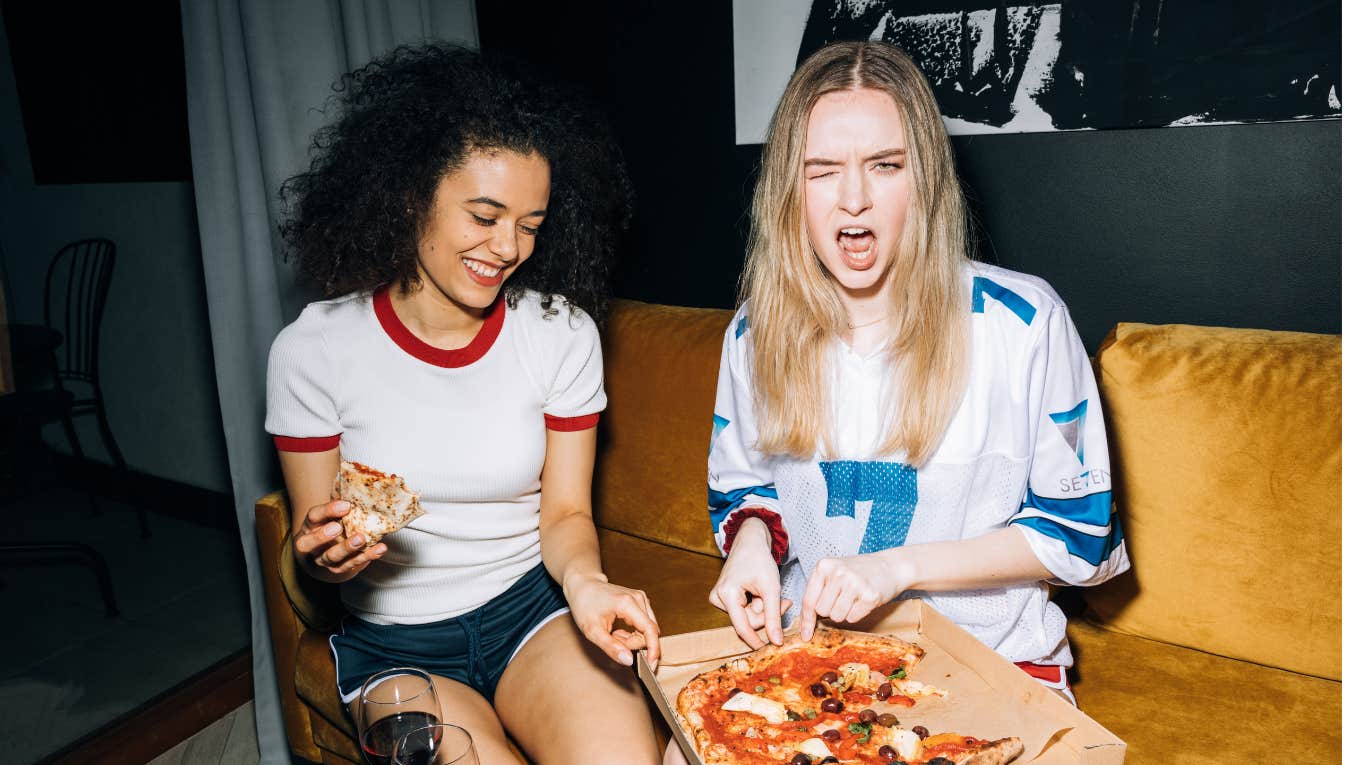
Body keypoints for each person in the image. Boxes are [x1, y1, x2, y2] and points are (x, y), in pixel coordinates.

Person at [266, 45, 662, 764]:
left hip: (533, 615)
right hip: (395, 645)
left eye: (530, 224)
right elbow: (316, 545)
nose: (508, 246)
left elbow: (567, 514)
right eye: (484, 215)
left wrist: (588, 583)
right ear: (410, 193)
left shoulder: (561, 333)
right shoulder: (313, 351)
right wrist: (327, 556)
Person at [706, 41, 1130, 702]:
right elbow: (746, 491)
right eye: (822, 170)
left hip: (997, 665)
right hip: (817, 661)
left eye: (884, 165)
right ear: (790, 187)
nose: (853, 199)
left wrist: (898, 568)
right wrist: (751, 546)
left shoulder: (1026, 325)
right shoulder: (754, 333)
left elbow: (1079, 535)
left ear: (925, 177)